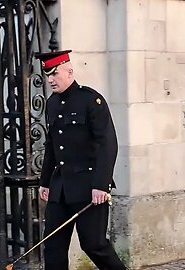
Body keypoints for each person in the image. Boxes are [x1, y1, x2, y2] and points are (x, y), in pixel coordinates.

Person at [34, 50, 127, 270]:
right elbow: (52, 146)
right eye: (47, 75)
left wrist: (100, 185)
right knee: (53, 245)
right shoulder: (52, 104)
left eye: (54, 74)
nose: (50, 79)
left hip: (88, 187)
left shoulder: (91, 100)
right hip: (61, 187)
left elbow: (107, 143)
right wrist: (45, 181)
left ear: (69, 71)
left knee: (94, 244)